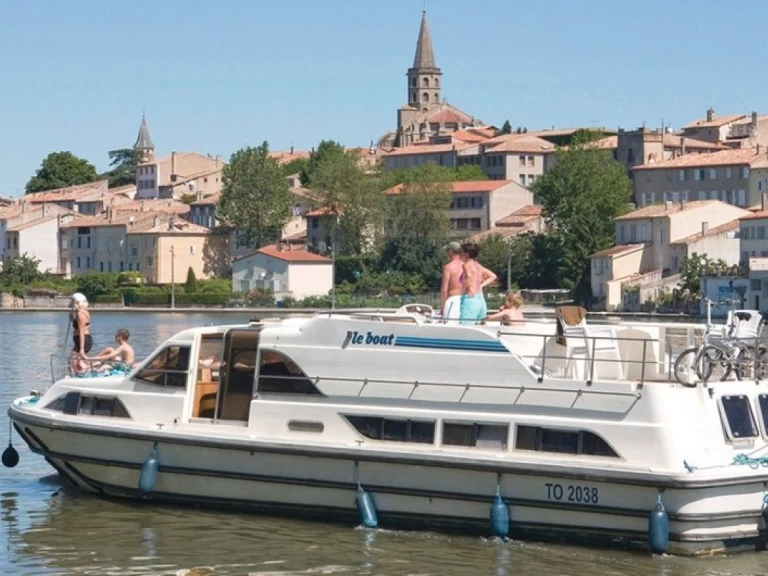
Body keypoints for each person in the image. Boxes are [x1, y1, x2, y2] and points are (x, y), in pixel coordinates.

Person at [459, 242, 497, 325]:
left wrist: (468, 288)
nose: (460, 254)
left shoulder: (466, 265)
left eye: (461, 252)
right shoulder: (478, 266)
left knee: (466, 326)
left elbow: (468, 275)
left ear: (467, 254)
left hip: (470, 298)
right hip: (480, 298)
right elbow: (493, 276)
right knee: (480, 325)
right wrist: (481, 285)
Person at [440, 241, 464, 323]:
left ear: (451, 251)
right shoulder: (466, 265)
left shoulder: (448, 267)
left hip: (453, 300)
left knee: (449, 325)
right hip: (465, 300)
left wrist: (443, 307)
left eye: (447, 251)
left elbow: (444, 289)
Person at [69, 293, 92, 374]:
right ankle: (82, 373)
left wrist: (81, 349)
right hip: (81, 340)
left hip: (83, 340)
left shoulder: (80, 314)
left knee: (72, 361)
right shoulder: (83, 312)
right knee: (76, 362)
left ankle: (80, 375)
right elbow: (78, 325)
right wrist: (72, 319)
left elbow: (81, 331)